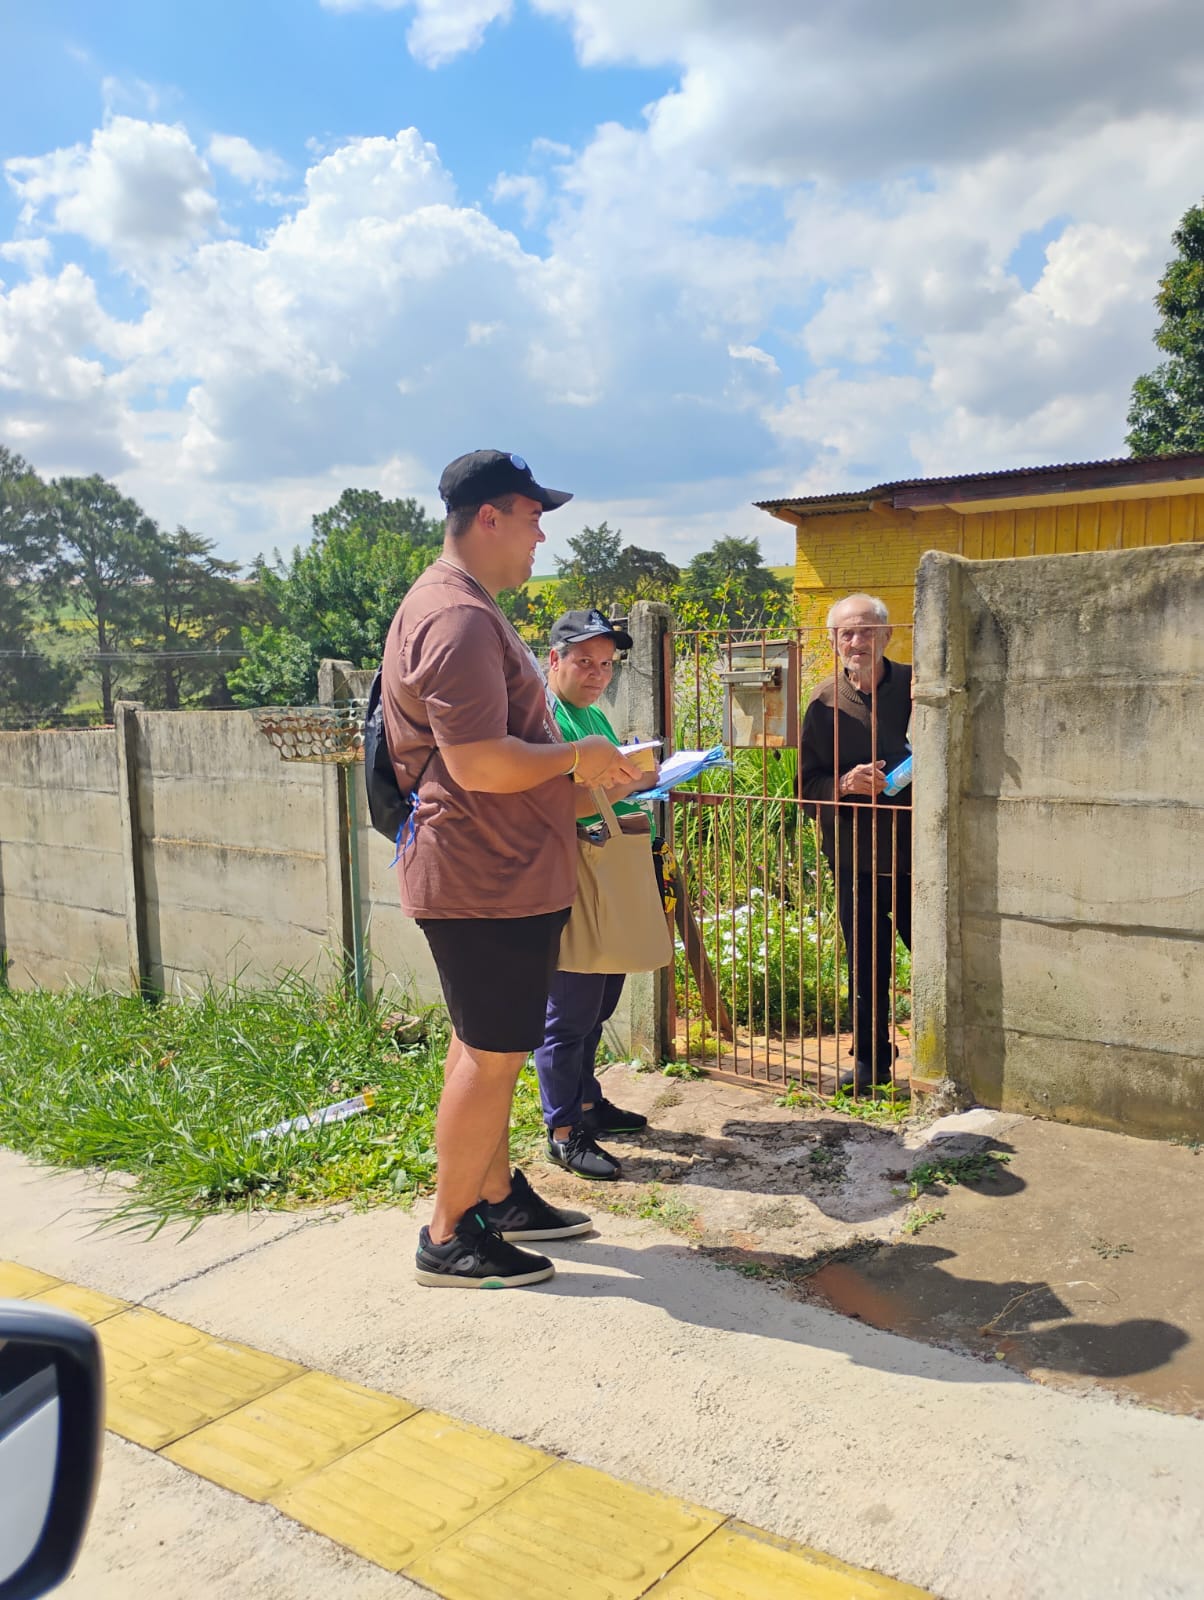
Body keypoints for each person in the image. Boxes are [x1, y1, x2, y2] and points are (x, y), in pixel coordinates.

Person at [381, 451, 641, 1288]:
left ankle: (492, 1192)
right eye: (533, 519)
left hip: (497, 873)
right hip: (480, 878)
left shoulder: (465, 609)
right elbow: (483, 764)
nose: (540, 538)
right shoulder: (454, 618)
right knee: (490, 1056)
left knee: (481, 1045)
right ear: (488, 516)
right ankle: (450, 1232)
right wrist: (584, 755)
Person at [535, 610, 655, 1181]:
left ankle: (587, 1103)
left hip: (611, 868)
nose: (597, 673)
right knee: (570, 1011)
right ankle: (563, 1130)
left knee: (602, 1000)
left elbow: (607, 785)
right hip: (577, 873)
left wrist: (643, 776)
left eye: (607, 663)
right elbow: (561, 805)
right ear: (554, 659)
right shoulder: (547, 720)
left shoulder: (593, 715)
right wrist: (635, 781)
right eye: (585, 661)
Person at [800, 594, 912, 1095]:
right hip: (855, 860)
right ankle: (872, 1062)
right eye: (846, 633)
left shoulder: (917, 689)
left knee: (937, 958)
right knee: (866, 963)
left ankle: (949, 1057)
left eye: (866, 631)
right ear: (833, 641)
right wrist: (844, 783)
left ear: (888, 636)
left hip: (919, 857)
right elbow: (807, 787)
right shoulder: (822, 703)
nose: (856, 641)